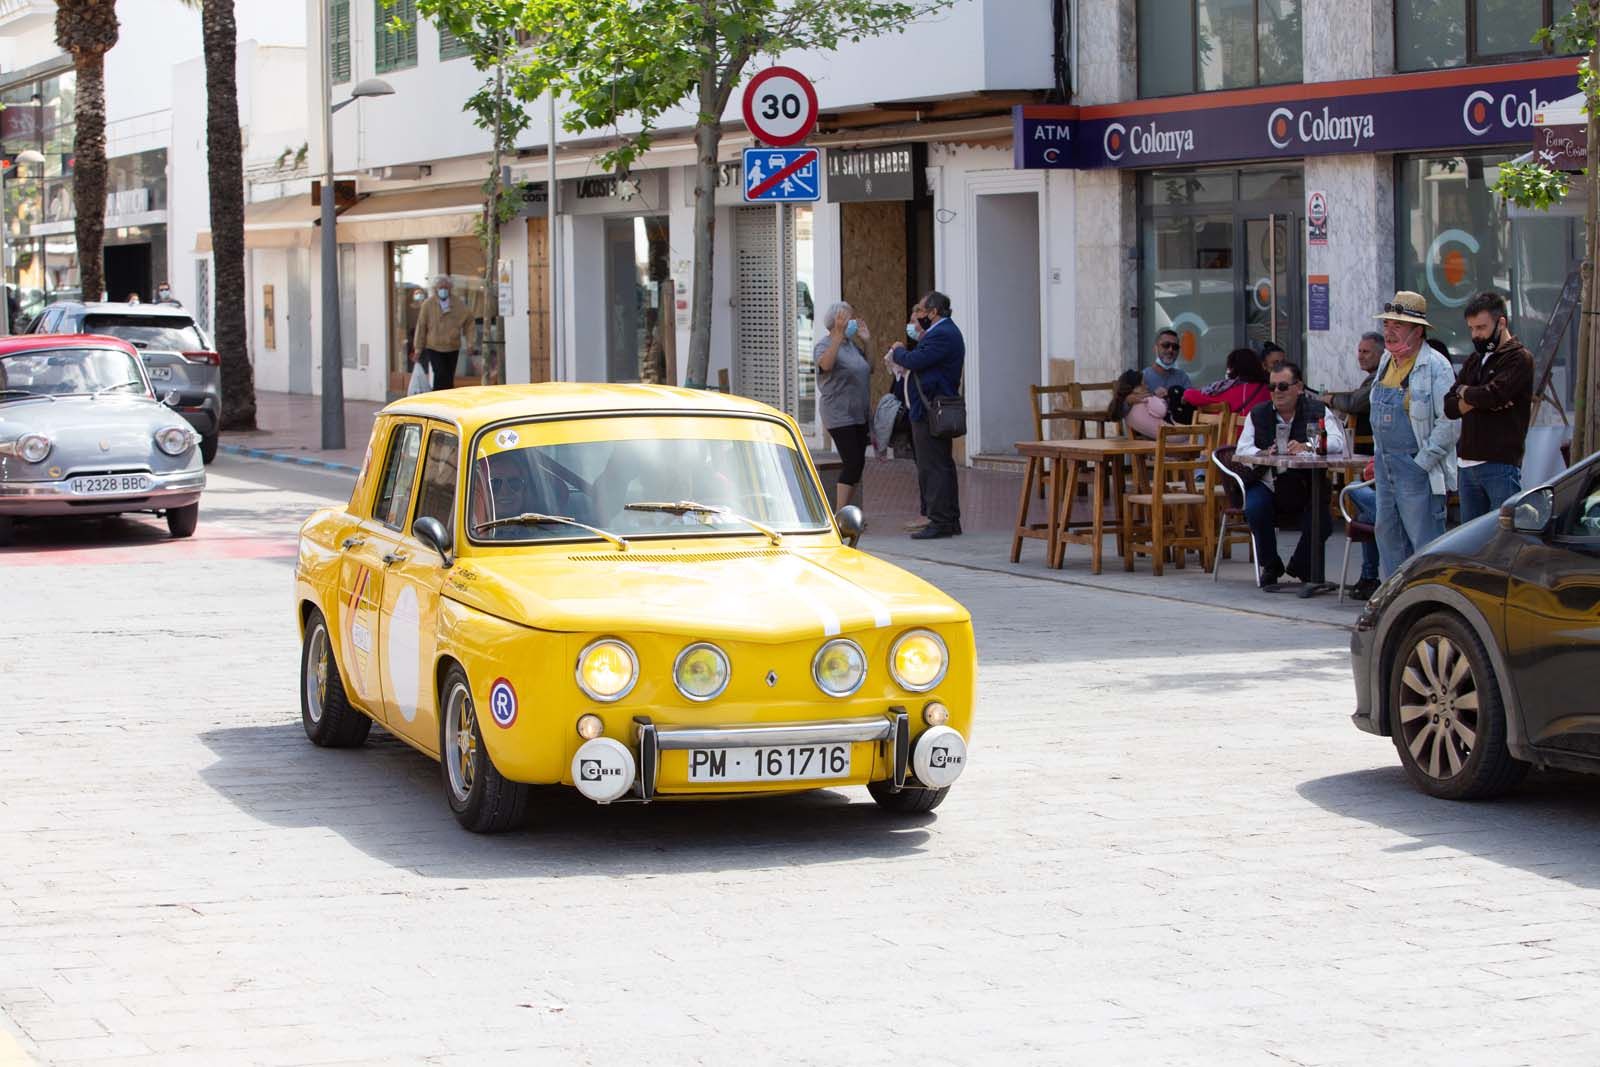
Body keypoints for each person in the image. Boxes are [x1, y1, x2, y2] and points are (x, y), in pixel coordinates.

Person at [1372, 291, 1459, 579]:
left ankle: (1428, 599)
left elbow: (1451, 421)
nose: (1389, 332)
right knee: (1387, 535)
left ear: (1417, 331)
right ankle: (1393, 601)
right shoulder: (1386, 361)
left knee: (1424, 541)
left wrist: (1422, 462)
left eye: (1398, 326)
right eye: (1387, 325)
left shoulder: (1436, 366)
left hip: (1416, 467)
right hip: (1385, 467)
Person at [1236, 362, 1346, 589]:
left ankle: (1302, 566)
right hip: (1267, 482)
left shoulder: (1317, 410)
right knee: (1255, 508)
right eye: (1272, 386)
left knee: (1322, 521)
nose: (1277, 392)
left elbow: (1338, 442)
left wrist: (1308, 446)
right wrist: (1265, 452)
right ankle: (1270, 565)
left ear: (1299, 387)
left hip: (1305, 483)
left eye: (1283, 386)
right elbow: (1242, 449)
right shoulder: (1258, 414)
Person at [1445, 291, 1534, 524]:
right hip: (1466, 466)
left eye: (1482, 328)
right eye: (1472, 329)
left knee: (1502, 540)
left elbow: (1494, 395)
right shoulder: (1475, 360)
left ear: (1501, 322)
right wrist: (1478, 399)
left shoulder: (1518, 358)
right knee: (1471, 545)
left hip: (1499, 465)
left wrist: (1465, 391)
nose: (1476, 335)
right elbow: (1449, 407)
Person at [890, 290, 964, 540]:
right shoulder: (940, 333)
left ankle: (941, 520)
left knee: (933, 466)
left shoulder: (942, 334)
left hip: (931, 409)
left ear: (933, 312)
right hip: (930, 408)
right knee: (939, 464)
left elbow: (916, 360)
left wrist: (899, 351)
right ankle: (948, 518)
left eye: (920, 311)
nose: (917, 315)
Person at [814, 301, 873, 511]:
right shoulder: (824, 345)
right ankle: (840, 514)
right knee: (852, 462)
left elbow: (868, 368)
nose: (853, 322)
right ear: (836, 322)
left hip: (859, 413)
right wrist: (837, 336)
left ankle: (847, 510)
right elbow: (826, 365)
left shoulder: (852, 346)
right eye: (848, 319)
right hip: (838, 413)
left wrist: (867, 342)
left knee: (858, 463)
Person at [1182, 347, 1273, 439]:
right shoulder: (1270, 389)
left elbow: (1193, 396)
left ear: (1233, 368)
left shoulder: (1230, 390)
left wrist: (1186, 393)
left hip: (1235, 442)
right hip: (1264, 440)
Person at [412, 275, 473, 391]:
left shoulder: (458, 304)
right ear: (435, 289)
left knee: (449, 377)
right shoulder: (427, 305)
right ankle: (437, 399)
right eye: (441, 288)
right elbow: (421, 327)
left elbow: (469, 323)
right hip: (434, 347)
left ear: (450, 288)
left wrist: (470, 343)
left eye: (446, 287)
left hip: (452, 347)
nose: (443, 290)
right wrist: (418, 349)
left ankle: (447, 400)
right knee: (440, 374)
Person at [1320, 331, 1382, 442]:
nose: (1360, 357)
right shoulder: (1375, 376)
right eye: (1359, 351)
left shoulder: (1380, 377)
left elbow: (1353, 403)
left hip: (1368, 447)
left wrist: (1331, 399)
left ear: (1382, 355)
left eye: (1366, 352)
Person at [1343, 458, 1380, 601]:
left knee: (1354, 488)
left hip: (1402, 500)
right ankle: (1369, 578)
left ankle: (1369, 578)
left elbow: (1372, 472)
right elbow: (1369, 471)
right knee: (1356, 487)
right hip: (1386, 495)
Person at [1108, 369, 1169, 439]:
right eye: (1143, 384)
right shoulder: (1138, 403)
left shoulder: (1130, 406)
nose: (1147, 387)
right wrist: (1154, 398)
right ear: (1135, 389)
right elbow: (1161, 410)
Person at [1143, 328, 1193, 398]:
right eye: (1166, 345)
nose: (1170, 350)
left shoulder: (1182, 377)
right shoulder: (1143, 377)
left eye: (1175, 347)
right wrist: (1153, 396)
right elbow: (1128, 406)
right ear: (1156, 348)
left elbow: (1191, 402)